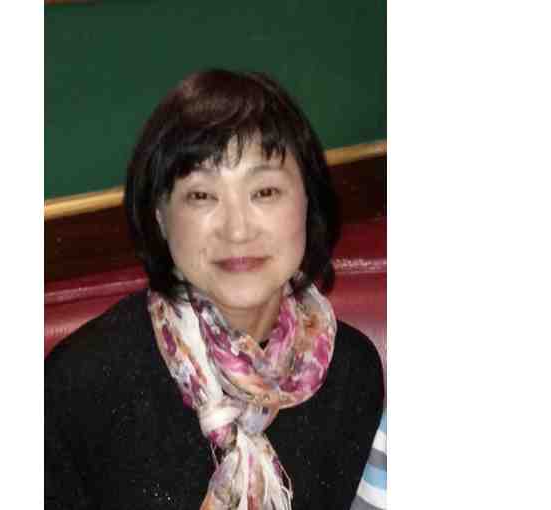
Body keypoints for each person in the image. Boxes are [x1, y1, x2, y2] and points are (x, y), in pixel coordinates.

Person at [45, 69, 384, 510]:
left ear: (308, 201)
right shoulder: (82, 383)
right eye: (202, 196)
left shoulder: (350, 373)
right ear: (161, 217)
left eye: (265, 191)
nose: (237, 229)